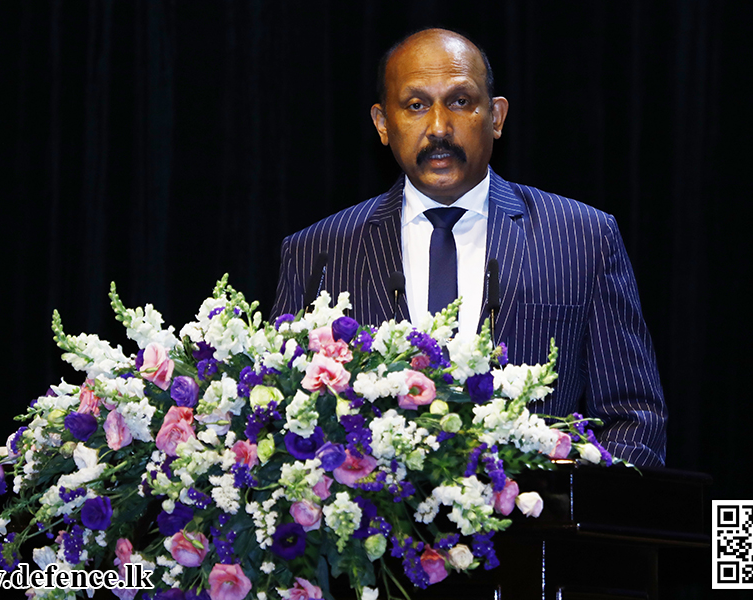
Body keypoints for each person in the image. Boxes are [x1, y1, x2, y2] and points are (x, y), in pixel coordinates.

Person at [272, 28, 667, 467]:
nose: (439, 127)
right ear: (383, 124)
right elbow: (285, 417)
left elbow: (634, 421)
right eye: (416, 105)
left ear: (496, 117)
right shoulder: (318, 251)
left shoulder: (582, 238)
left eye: (460, 102)